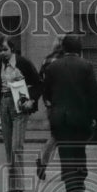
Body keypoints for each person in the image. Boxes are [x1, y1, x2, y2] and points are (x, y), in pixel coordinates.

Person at [42, 34, 97, 192]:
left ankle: (72, 189)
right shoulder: (86, 66)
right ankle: (79, 181)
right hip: (80, 118)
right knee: (79, 151)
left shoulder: (53, 67)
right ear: (80, 50)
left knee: (66, 154)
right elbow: (93, 94)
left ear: (64, 48)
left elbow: (46, 93)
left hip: (60, 118)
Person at [0, 34, 41, 192]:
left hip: (19, 104)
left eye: (5, 49)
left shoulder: (23, 63)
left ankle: (19, 189)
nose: (2, 53)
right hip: (3, 104)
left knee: (16, 146)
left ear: (12, 49)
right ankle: (12, 188)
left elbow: (38, 83)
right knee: (8, 147)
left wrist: (32, 100)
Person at [35, 38, 64, 181]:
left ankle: (43, 161)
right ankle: (43, 161)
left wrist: (46, 100)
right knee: (62, 136)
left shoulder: (46, 60)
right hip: (63, 103)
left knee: (57, 135)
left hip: (50, 104)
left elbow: (41, 81)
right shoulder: (63, 60)